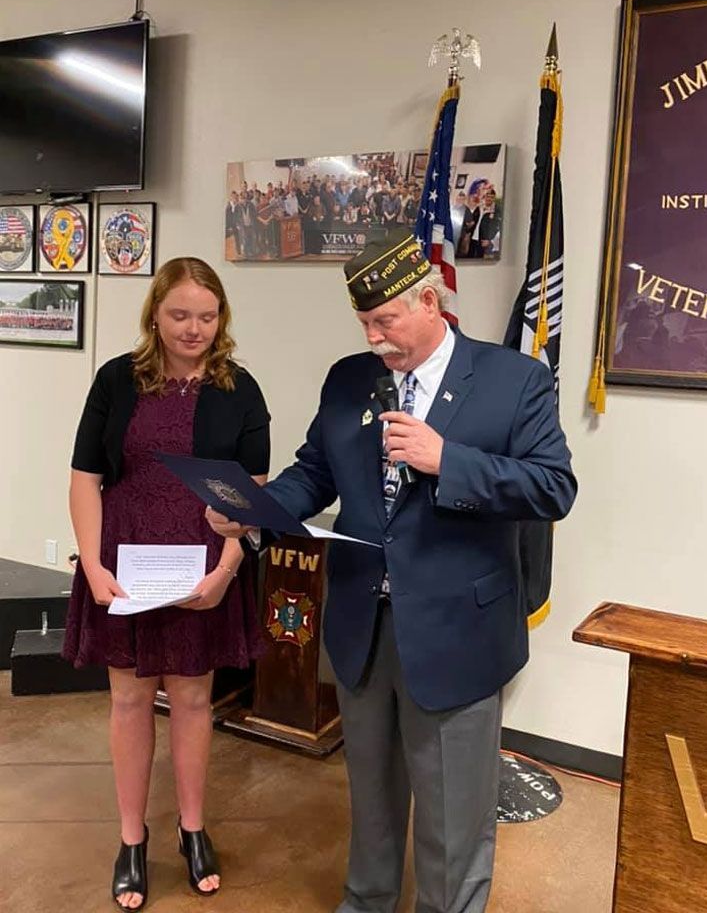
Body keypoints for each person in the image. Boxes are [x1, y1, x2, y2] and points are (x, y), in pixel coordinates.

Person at [207, 229, 577, 913]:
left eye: (386, 322)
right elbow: (316, 471)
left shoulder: (513, 380)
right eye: (364, 323)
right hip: (361, 625)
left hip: (457, 631)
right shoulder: (351, 380)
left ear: (430, 302)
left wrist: (449, 460)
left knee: (452, 819)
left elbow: (554, 488)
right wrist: (255, 512)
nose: (375, 338)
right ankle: (367, 901)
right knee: (371, 799)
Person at [63, 257, 270, 910]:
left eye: (207, 317)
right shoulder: (116, 380)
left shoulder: (241, 390)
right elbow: (84, 478)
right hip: (122, 563)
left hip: (203, 566)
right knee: (128, 700)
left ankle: (191, 828)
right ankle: (131, 838)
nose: (194, 328)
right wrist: (93, 565)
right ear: (155, 312)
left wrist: (226, 572)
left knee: (191, 699)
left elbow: (253, 495)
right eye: (180, 315)